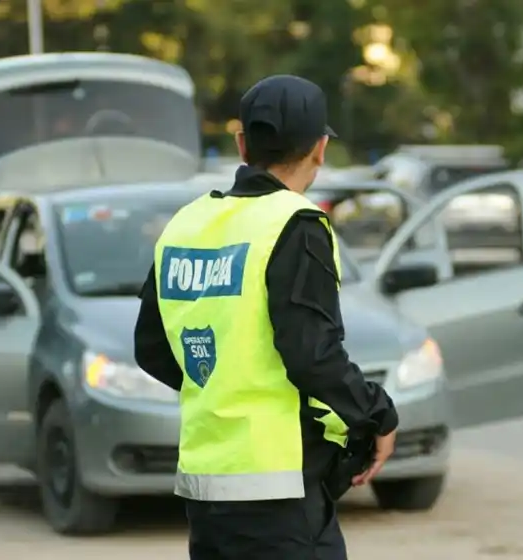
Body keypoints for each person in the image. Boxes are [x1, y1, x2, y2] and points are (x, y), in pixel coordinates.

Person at [133, 75, 399, 560]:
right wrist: (378, 414)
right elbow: (311, 354)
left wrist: (221, 386)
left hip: (206, 488)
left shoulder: (186, 224)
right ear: (320, 148)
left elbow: (151, 349)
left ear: (241, 144)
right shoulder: (295, 224)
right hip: (280, 491)